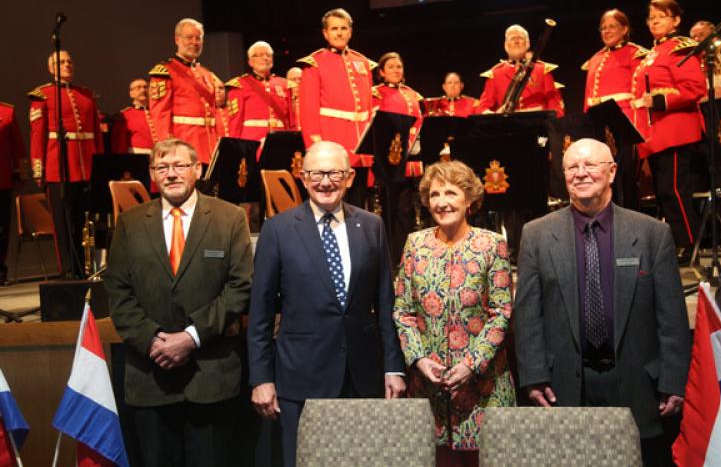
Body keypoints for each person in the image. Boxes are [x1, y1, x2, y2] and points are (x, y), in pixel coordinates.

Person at [515, 138, 691, 466]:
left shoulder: (653, 234)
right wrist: (534, 375)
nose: (581, 173)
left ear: (611, 172)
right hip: (565, 386)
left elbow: (671, 318)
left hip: (639, 385)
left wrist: (672, 381)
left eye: (591, 165)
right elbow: (528, 315)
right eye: (572, 167)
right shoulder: (536, 235)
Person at [247, 141, 406, 467]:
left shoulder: (372, 226)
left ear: (348, 177)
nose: (325, 182)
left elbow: (386, 304)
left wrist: (393, 367)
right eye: (317, 173)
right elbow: (261, 314)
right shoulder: (278, 230)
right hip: (301, 378)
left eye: (334, 173)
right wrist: (261, 378)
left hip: (362, 378)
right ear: (303, 178)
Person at [105, 139, 252, 466]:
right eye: (162, 167)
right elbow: (117, 290)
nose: (171, 174)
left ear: (196, 169)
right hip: (150, 376)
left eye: (180, 166)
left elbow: (240, 287)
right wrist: (153, 340)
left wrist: (190, 338)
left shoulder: (230, 219)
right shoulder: (129, 223)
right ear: (152, 174)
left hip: (211, 376)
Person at [393, 160, 515, 467]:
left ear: (469, 199)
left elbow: (501, 312)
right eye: (435, 195)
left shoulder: (491, 245)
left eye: (451, 193)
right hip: (429, 389)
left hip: (484, 388)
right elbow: (403, 312)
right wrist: (419, 360)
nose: (442, 202)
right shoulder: (415, 245)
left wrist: (470, 365)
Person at [631, 0, 707, 262]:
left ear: (676, 20)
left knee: (674, 191)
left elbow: (695, 88)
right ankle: (675, 244)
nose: (654, 21)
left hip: (676, 131)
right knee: (663, 193)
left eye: (661, 16)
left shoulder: (680, 48)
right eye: (651, 16)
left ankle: (688, 245)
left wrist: (660, 100)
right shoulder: (653, 52)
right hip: (656, 134)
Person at [29, 50, 104, 277]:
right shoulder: (42, 95)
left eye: (70, 61)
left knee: (86, 223)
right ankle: (69, 273)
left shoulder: (86, 95)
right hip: (58, 168)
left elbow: (96, 135)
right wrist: (39, 169)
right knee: (63, 226)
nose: (67, 64)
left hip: (86, 168)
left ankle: (86, 270)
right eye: (61, 62)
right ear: (51, 68)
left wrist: (99, 166)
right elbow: (37, 135)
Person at [297, 8, 376, 207]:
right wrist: (316, 148)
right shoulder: (314, 63)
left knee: (360, 202)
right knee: (335, 203)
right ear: (325, 33)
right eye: (334, 29)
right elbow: (308, 112)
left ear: (350, 31)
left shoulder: (362, 62)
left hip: (361, 147)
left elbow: (367, 106)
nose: (339, 33)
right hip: (332, 142)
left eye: (343, 28)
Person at [582, 9, 647, 210]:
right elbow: (588, 97)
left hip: (625, 121)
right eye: (603, 28)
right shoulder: (595, 58)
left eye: (612, 26)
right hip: (601, 124)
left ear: (624, 28)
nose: (607, 31)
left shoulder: (636, 53)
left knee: (625, 177)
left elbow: (640, 93)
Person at [372, 52, 424, 262]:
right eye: (391, 67)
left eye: (399, 67)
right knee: (390, 207)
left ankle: (405, 254)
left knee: (406, 207)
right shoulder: (375, 93)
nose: (396, 70)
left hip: (410, 155)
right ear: (382, 72)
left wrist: (410, 140)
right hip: (387, 159)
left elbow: (419, 121)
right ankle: (391, 256)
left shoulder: (412, 94)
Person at [148, 18, 217, 165]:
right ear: (177, 39)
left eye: (198, 38)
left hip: (210, 146)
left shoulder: (206, 74)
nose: (194, 42)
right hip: (183, 144)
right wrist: (166, 150)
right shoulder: (166, 71)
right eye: (189, 37)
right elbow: (159, 114)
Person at [477, 24, 564, 117]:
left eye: (520, 38)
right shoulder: (495, 73)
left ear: (528, 43)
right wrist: (497, 116)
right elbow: (482, 109)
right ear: (506, 45)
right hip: (507, 128)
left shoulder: (542, 69)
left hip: (538, 127)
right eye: (512, 38)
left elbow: (555, 105)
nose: (517, 41)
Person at [225, 41, 290, 147]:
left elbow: (291, 121)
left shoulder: (285, 85)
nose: (265, 58)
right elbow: (235, 123)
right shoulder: (240, 85)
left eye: (268, 55)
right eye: (260, 55)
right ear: (250, 61)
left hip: (280, 140)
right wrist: (235, 147)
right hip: (252, 142)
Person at [0, 102, 27, 285]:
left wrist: (21, 174)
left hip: (1, 180)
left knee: (1, 228)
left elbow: (17, 147)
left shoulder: (6, 112)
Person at [111, 78, 157, 154]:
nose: (143, 90)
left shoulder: (158, 112)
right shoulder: (124, 115)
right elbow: (119, 145)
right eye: (138, 87)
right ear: (131, 94)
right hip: (136, 160)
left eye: (146, 87)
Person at [286, 66, 302, 131]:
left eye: (300, 79)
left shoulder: (312, 100)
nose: (298, 82)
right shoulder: (284, 101)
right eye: (294, 79)